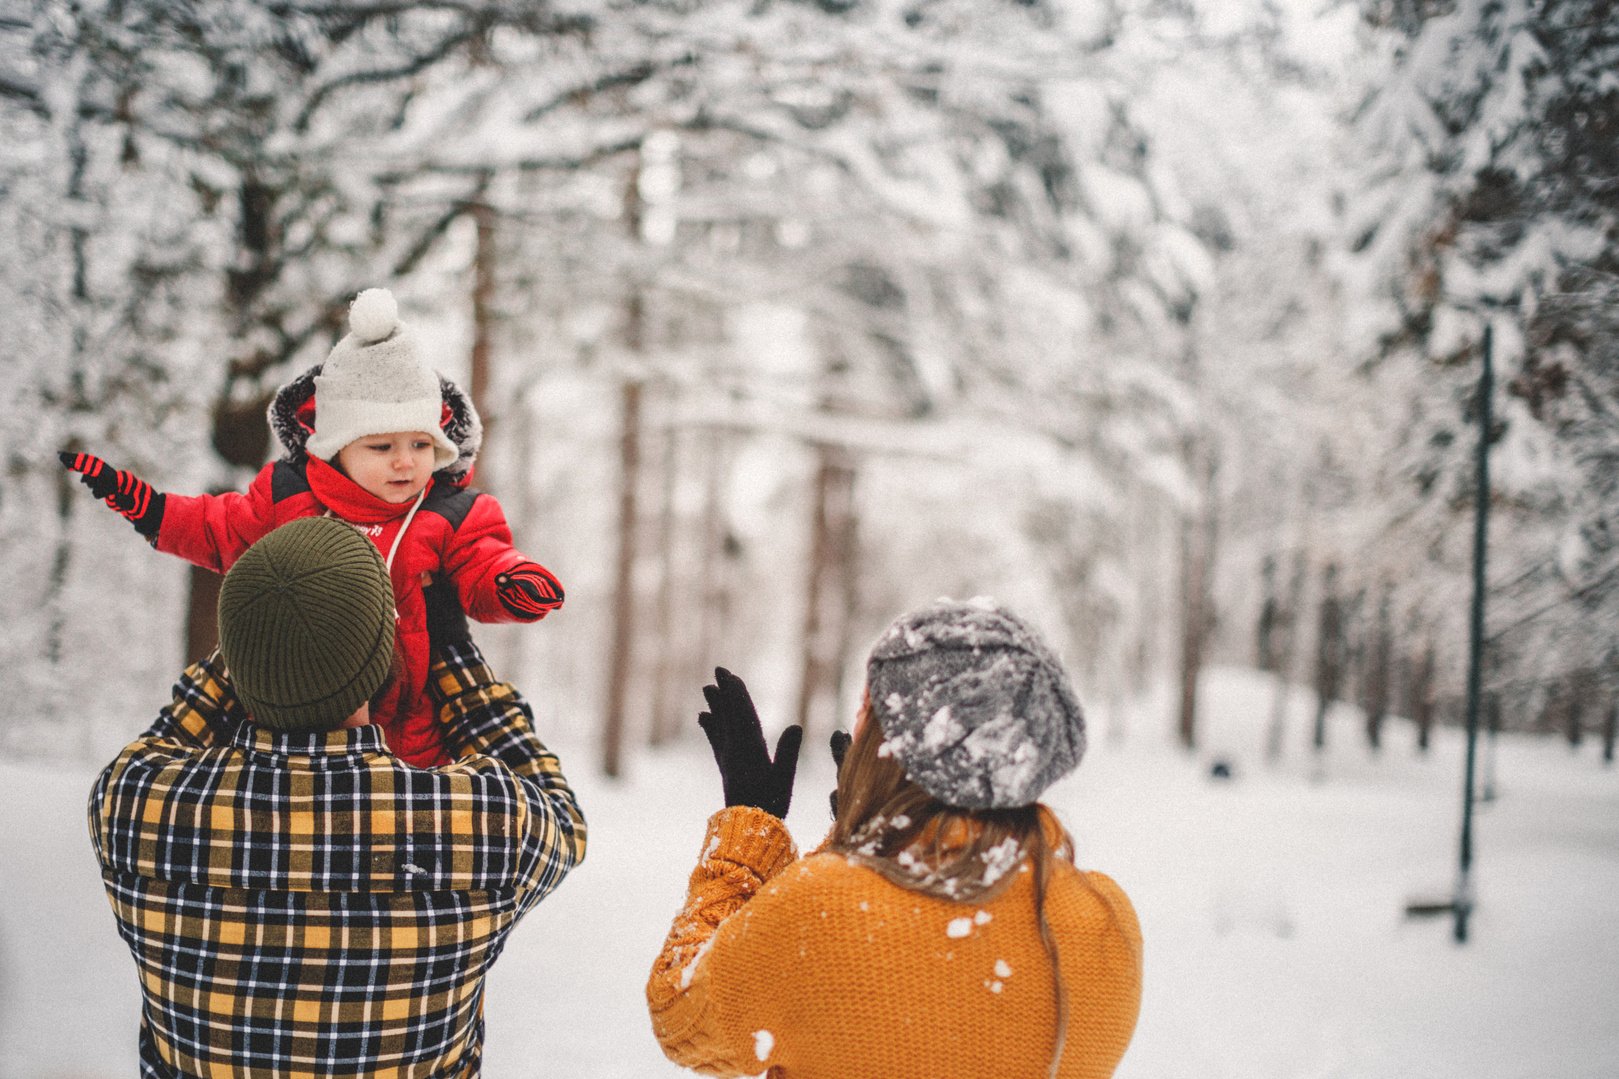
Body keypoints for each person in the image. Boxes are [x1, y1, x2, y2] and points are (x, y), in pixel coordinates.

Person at [89, 516, 587, 1077]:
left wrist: (258, 636)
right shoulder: (485, 822)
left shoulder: (132, 807)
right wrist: (453, 654)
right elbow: (562, 816)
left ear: (237, 653)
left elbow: (172, 735)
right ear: (383, 659)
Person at [60, 286, 562, 767]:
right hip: (289, 728)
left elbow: (483, 558)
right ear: (335, 447)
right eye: (382, 448)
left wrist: (509, 583)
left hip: (406, 738)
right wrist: (151, 509)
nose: (406, 464)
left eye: (421, 445)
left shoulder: (450, 513)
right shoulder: (289, 497)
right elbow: (220, 528)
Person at [647, 598, 1142, 1078]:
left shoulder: (819, 910)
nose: (858, 726)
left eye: (871, 709)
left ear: (897, 744)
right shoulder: (1106, 920)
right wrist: (860, 845)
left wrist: (746, 839)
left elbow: (680, 1013)